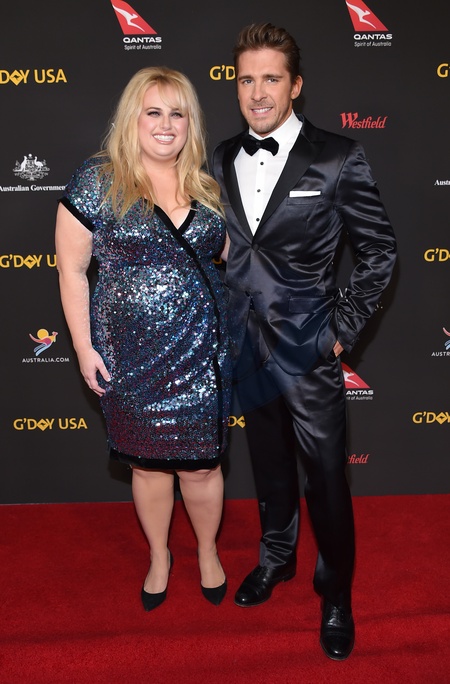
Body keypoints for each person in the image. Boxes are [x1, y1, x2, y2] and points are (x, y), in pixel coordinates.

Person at [213, 23, 397, 659]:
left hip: (309, 348)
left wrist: (341, 331)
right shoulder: (219, 158)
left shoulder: (337, 156)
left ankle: (336, 593)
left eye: (271, 78)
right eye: (246, 79)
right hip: (245, 346)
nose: (257, 92)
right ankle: (277, 558)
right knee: (268, 465)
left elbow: (379, 252)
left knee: (325, 477)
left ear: (295, 85)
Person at [56, 66, 231, 611]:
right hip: (129, 357)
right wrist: (84, 348)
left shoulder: (209, 186)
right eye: (153, 111)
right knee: (147, 464)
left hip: (202, 352)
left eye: (177, 113)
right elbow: (72, 270)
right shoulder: (97, 182)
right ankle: (160, 555)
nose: (165, 124)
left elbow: (240, 260)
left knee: (202, 465)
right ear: (132, 118)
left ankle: (207, 551)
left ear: (190, 123)